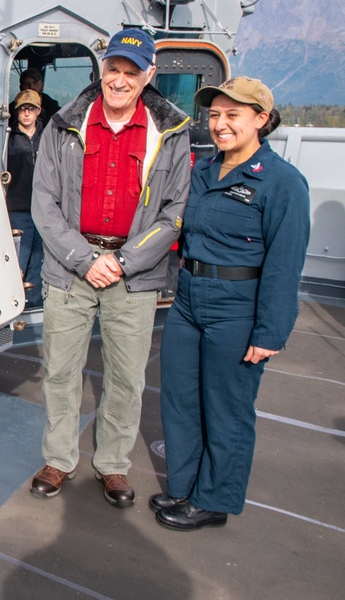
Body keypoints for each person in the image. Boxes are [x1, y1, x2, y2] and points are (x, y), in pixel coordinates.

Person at [29, 28, 191, 508]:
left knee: (125, 376)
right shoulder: (63, 125)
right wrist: (84, 258)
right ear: (102, 70)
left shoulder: (171, 133)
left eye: (131, 71)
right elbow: (45, 203)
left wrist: (121, 261)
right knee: (60, 370)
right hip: (70, 269)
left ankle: (113, 465)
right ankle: (58, 459)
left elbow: (174, 211)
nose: (120, 79)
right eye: (113, 69)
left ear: (149, 76)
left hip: (134, 274)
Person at [153, 78, 310, 530]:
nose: (220, 125)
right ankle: (183, 488)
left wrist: (269, 332)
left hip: (237, 307)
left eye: (232, 115)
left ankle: (214, 501)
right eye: (215, 115)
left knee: (226, 407)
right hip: (188, 301)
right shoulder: (202, 170)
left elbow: (285, 264)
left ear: (261, 119)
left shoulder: (282, 183)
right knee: (180, 400)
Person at [4, 89, 45, 308]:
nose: (27, 113)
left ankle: (34, 303)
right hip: (18, 210)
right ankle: (14, 305)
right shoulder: (8, 139)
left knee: (39, 260)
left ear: (39, 111)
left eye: (31, 109)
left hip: (43, 210)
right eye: (22, 109)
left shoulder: (48, 137)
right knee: (18, 260)